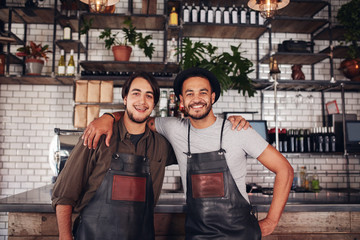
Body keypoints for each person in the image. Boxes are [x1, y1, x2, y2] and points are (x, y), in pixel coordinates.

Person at [83, 67, 294, 239]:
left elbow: (284, 169)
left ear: (212, 97)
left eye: (203, 92)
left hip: (240, 234)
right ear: (181, 100)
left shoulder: (238, 130)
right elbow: (137, 115)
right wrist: (108, 117)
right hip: (197, 234)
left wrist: (271, 221)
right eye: (190, 93)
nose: (197, 99)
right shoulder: (173, 127)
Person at [52, 72, 179, 240]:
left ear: (154, 103)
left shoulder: (161, 146)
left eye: (149, 96)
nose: (142, 101)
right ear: (125, 98)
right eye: (136, 93)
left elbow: (195, 142)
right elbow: (64, 193)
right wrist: (65, 236)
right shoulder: (96, 136)